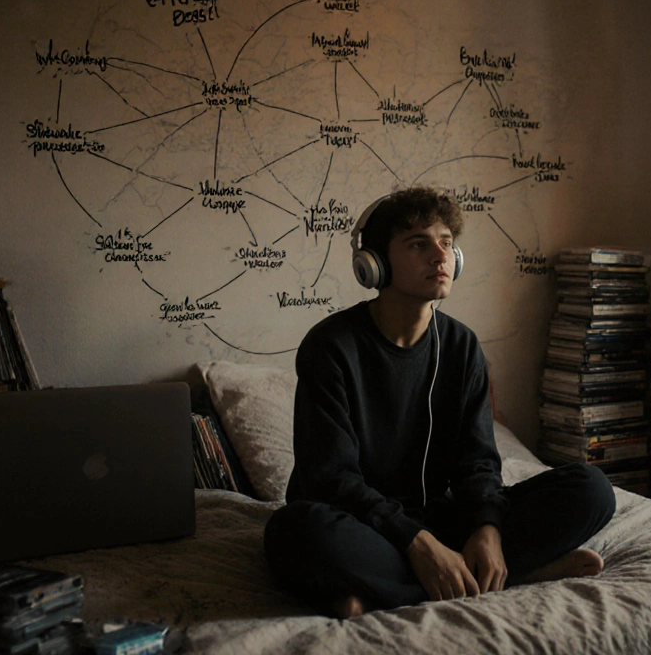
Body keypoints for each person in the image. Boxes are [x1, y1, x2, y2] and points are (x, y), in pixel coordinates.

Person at [264, 185, 616, 619]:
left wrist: (487, 528)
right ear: (374, 264)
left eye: (447, 242)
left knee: (591, 490)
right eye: (418, 244)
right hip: (361, 522)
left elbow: (478, 464)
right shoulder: (331, 347)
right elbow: (331, 479)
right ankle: (511, 572)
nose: (440, 255)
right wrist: (418, 543)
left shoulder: (462, 346)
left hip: (441, 518)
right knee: (295, 531)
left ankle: (389, 588)